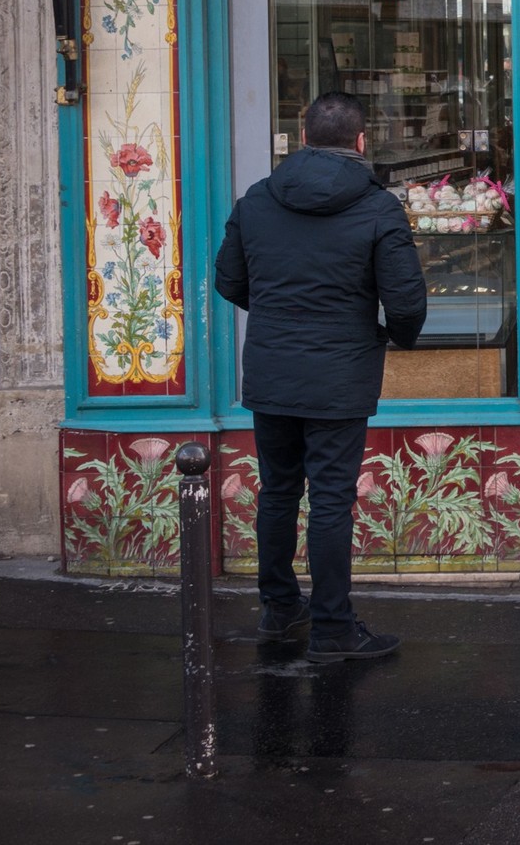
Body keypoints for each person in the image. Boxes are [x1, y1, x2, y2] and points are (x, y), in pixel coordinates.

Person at [214, 92, 427, 661]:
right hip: (340, 374)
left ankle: (280, 608)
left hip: (273, 371)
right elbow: (406, 301)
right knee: (331, 500)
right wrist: (392, 338)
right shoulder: (379, 207)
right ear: (361, 142)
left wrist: (277, 312)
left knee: (279, 490)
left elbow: (229, 281)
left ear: (303, 137)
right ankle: (332, 629)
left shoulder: (258, 199)